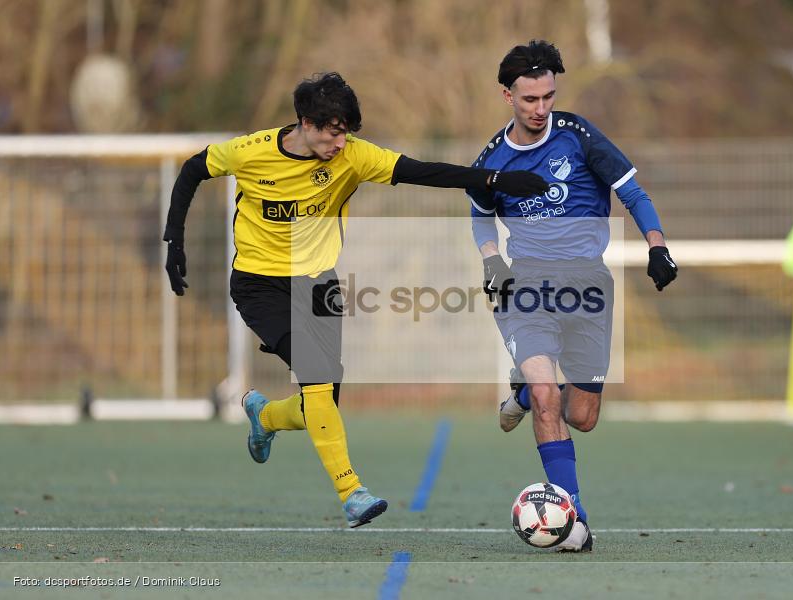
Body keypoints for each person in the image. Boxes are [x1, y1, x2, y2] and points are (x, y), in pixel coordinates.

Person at [163, 72, 548, 528]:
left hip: (319, 287)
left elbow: (422, 171)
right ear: (305, 122)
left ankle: (264, 415)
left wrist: (495, 179)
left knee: (318, 403)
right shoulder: (251, 151)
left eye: (345, 132)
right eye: (331, 131)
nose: (339, 142)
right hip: (259, 284)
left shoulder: (352, 158)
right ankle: (352, 492)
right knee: (317, 378)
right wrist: (174, 241)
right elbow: (192, 169)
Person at [468, 41, 678, 551]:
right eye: (529, 100)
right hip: (528, 287)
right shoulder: (492, 158)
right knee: (548, 396)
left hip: (587, 287)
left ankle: (520, 393)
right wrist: (492, 259)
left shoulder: (580, 136)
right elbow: (479, 213)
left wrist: (658, 247)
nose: (541, 110)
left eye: (548, 97)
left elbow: (632, 191)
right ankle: (573, 522)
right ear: (507, 97)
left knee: (581, 417)